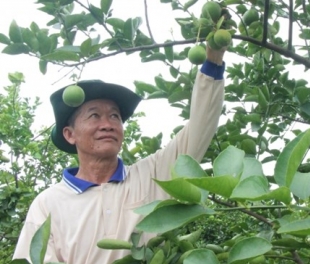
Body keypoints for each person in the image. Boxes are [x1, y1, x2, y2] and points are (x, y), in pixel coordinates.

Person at [12, 45, 226, 263]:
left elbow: (200, 129)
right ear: (70, 134)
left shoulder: (153, 175)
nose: (107, 124)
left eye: (114, 116)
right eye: (94, 115)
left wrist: (214, 59)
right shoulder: (48, 203)